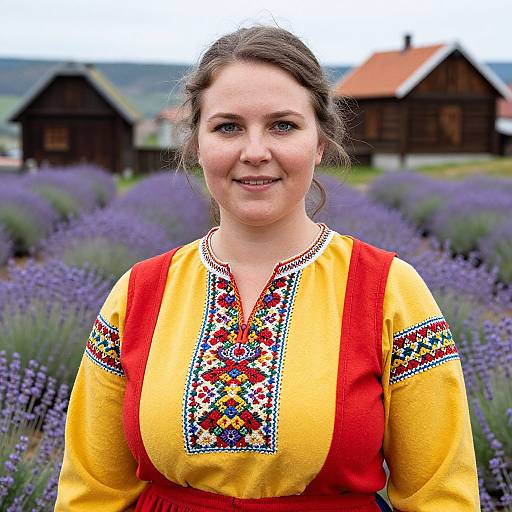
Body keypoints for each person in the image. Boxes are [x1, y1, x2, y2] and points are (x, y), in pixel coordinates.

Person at [54, 25, 480, 511]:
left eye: (282, 125)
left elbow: (442, 496)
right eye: (228, 126)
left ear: (320, 142)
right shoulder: (139, 293)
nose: (255, 152)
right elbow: (90, 491)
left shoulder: (387, 291)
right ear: (197, 145)